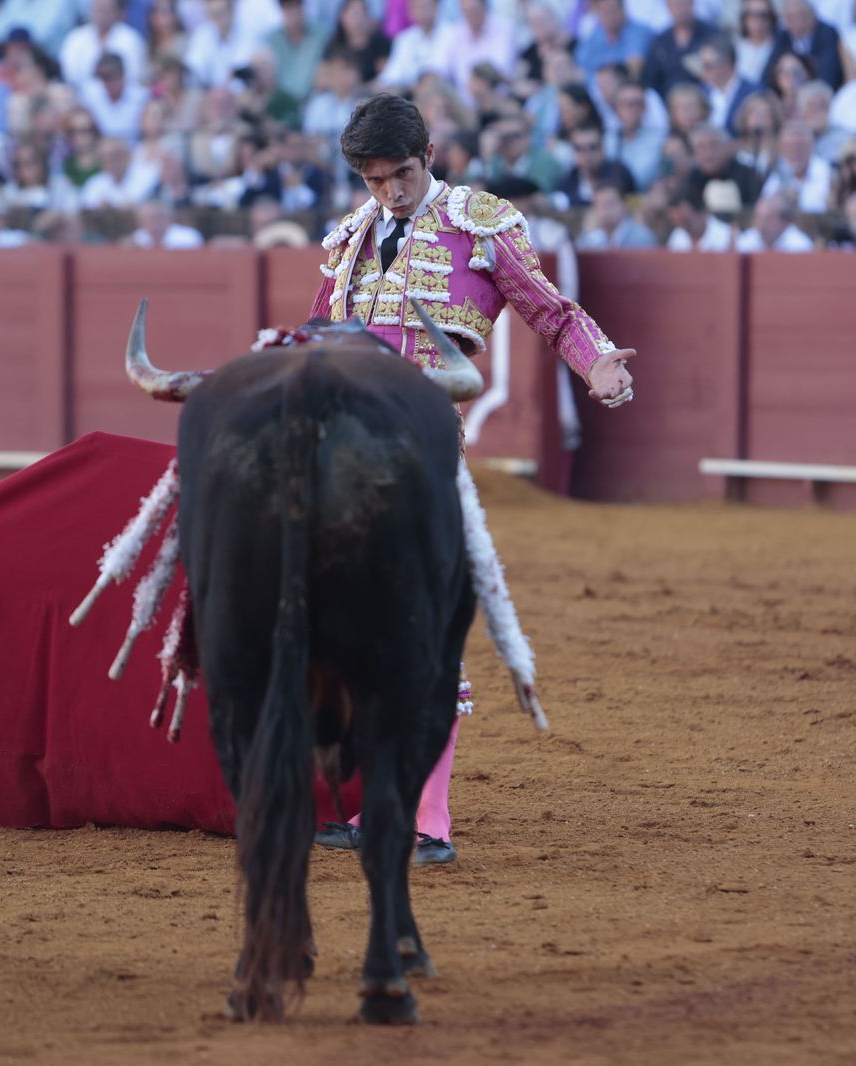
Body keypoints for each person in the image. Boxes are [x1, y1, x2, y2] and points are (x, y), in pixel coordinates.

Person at [308, 94, 635, 867]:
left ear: (430, 152)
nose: (390, 190)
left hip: (421, 448)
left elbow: (550, 311)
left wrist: (597, 360)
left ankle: (429, 821)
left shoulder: (481, 223)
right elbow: (317, 339)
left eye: (403, 172)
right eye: (374, 178)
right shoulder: (350, 238)